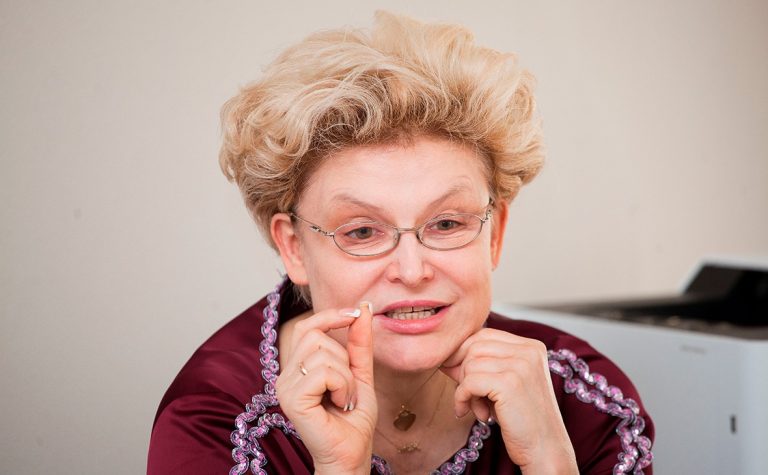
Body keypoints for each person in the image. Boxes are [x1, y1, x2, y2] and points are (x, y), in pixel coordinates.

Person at [148, 11, 654, 475]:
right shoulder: (215, 420)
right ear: (294, 247)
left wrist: (549, 459)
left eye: (447, 224)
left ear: (495, 233)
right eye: (361, 232)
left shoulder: (587, 404)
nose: (412, 271)